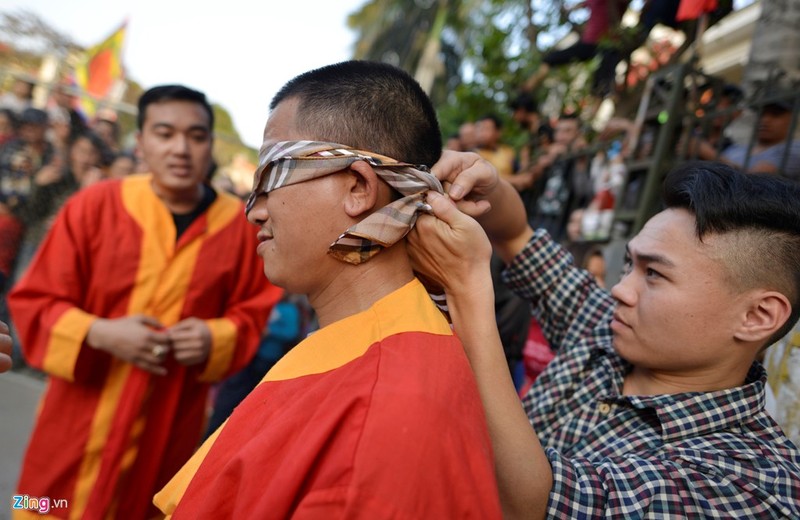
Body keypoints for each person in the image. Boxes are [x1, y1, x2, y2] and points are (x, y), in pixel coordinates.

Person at [154, 61, 501, 518]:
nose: (253, 211)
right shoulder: (368, 350)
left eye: (271, 177)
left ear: (358, 186)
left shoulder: (391, 408)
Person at [408, 157, 800, 518]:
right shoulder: (606, 328)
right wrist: (489, 189)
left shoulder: (753, 483)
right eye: (630, 263)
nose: (620, 290)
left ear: (757, 315)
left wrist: (468, 292)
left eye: (654, 274)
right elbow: (516, 237)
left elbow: (532, 505)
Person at [7, 84, 282, 519]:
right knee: (38, 504)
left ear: (210, 145)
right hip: (73, 424)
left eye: (195, 136)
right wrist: (98, 331)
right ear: (141, 143)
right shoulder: (96, 205)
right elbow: (35, 299)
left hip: (166, 424)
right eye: (164, 133)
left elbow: (254, 311)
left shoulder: (238, 230)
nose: (181, 149)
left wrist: (217, 337)